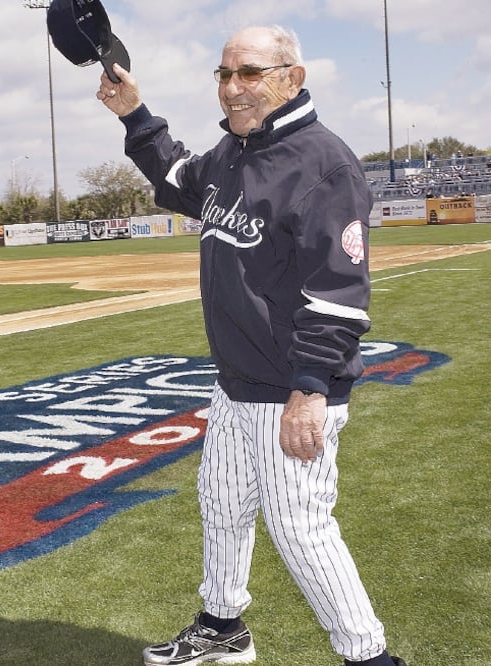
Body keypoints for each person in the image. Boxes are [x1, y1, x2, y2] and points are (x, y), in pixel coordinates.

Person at [96, 25, 405, 666]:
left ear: (292, 77)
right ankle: (222, 627)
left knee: (300, 528)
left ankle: (370, 657)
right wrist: (134, 114)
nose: (234, 87)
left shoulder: (325, 165)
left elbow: (338, 295)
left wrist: (310, 390)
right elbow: (178, 178)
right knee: (223, 504)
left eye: (251, 73)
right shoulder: (231, 153)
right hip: (236, 382)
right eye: (225, 73)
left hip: (291, 386)